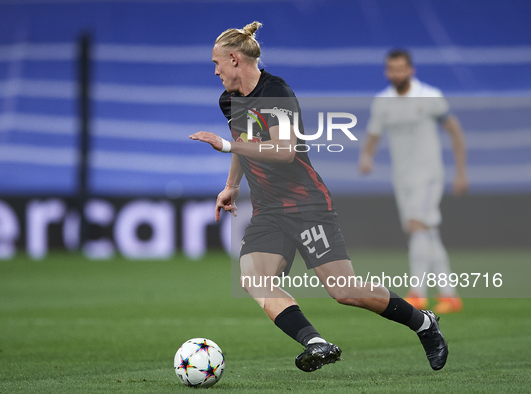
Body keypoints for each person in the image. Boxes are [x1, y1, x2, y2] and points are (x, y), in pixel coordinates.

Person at [190, 22, 448, 372]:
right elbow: (246, 140)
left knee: (345, 291)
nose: (215, 70)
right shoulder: (230, 100)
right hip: (269, 211)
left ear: (234, 59)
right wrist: (232, 185)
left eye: (216, 62)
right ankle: (315, 342)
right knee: (253, 279)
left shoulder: (276, 92)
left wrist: (224, 145)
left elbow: (284, 151)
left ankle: (423, 323)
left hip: (306, 205)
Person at [359, 49, 468, 314]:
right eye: (391, 69)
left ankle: (417, 292)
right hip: (403, 178)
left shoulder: (430, 97)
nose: (396, 73)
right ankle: (449, 295)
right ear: (387, 72)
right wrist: (366, 156)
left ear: (411, 70)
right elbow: (374, 133)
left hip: (429, 175)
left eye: (401, 68)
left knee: (417, 225)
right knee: (426, 232)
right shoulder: (382, 102)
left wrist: (461, 171)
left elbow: (454, 130)